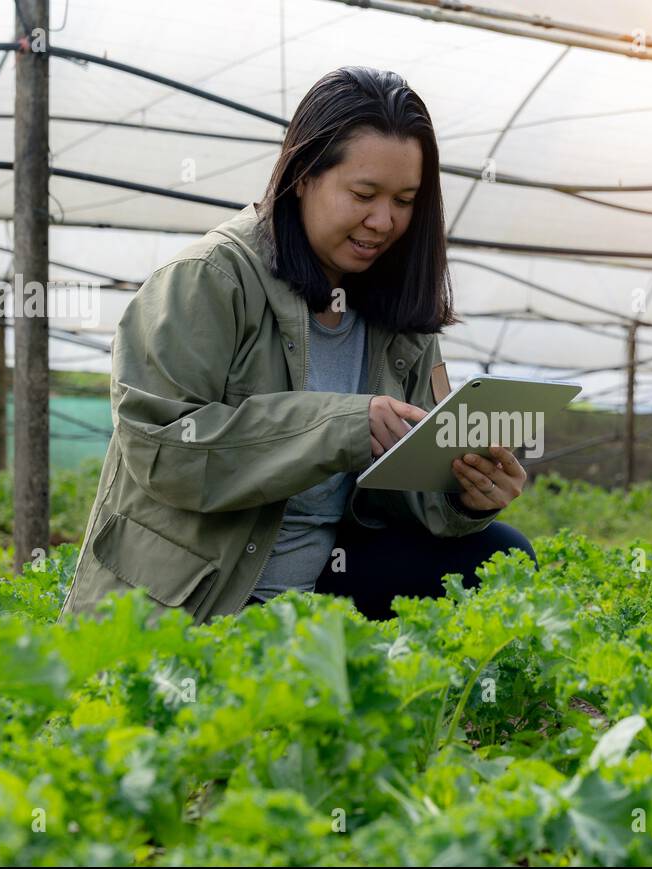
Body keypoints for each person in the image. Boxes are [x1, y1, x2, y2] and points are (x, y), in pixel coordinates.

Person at [59, 66, 536, 626]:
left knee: (498, 552)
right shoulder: (211, 279)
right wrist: (339, 427)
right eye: (364, 194)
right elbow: (162, 452)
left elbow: (396, 495)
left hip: (320, 592)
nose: (384, 221)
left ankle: (351, 672)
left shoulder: (398, 322)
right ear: (304, 176)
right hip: (196, 599)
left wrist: (463, 494)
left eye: (405, 200)